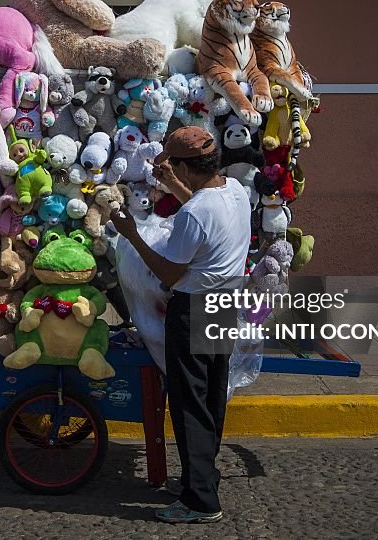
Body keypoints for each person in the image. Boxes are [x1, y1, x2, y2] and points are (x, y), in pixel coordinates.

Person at [111, 126, 252, 524]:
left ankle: (200, 501)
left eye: (172, 165)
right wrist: (175, 186)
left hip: (193, 308)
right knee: (209, 400)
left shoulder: (195, 211)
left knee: (190, 405)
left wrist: (133, 236)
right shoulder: (235, 191)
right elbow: (206, 219)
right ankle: (202, 478)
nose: (167, 169)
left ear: (187, 167)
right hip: (223, 306)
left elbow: (168, 274)